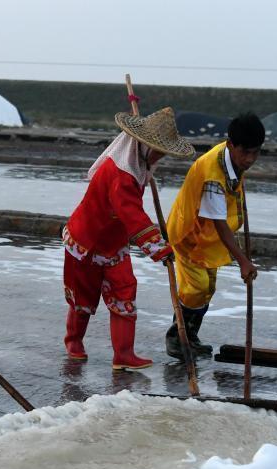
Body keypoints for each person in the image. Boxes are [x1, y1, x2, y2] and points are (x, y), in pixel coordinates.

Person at [62, 106, 194, 370]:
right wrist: (158, 247)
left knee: (124, 293)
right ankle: (73, 340)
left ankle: (123, 355)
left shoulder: (139, 166)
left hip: (114, 244)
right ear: (141, 146)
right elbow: (131, 214)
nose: (159, 156)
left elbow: (131, 214)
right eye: (157, 150)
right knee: (83, 298)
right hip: (87, 242)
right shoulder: (121, 174)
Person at [164, 112, 265, 360]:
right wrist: (243, 260)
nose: (250, 159)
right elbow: (219, 222)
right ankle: (176, 338)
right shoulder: (212, 175)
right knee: (195, 288)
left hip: (208, 236)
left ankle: (191, 336)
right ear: (231, 145)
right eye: (246, 153)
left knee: (207, 288)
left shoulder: (230, 156)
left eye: (256, 152)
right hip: (191, 233)